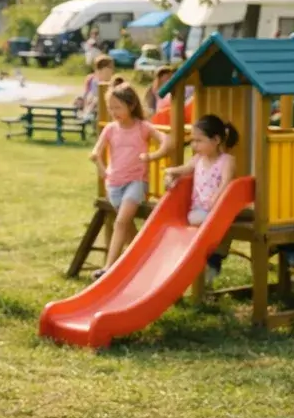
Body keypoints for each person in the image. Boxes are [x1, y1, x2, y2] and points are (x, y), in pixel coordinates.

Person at [90, 85, 173, 279]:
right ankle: (143, 261)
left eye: (118, 107)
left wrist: (153, 156)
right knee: (126, 226)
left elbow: (166, 141)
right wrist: (103, 170)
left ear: (132, 105)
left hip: (136, 182)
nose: (113, 112)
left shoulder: (142, 127)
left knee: (120, 222)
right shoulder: (110, 129)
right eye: (110, 108)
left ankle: (109, 268)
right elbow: (95, 152)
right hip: (114, 185)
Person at [163, 114, 239, 279]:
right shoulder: (197, 159)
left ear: (216, 140)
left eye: (199, 140)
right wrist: (171, 173)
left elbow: (226, 182)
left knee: (222, 224)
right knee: (196, 220)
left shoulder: (227, 161)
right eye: (193, 140)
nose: (194, 145)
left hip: (218, 210)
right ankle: (211, 257)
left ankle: (215, 257)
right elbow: (184, 169)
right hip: (199, 210)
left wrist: (216, 199)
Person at [76, 56, 115, 123]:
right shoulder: (91, 79)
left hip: (101, 102)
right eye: (110, 67)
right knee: (90, 99)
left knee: (95, 100)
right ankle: (86, 114)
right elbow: (87, 92)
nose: (112, 70)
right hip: (93, 100)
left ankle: (86, 115)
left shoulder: (112, 80)